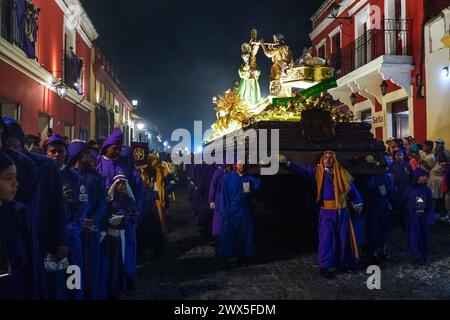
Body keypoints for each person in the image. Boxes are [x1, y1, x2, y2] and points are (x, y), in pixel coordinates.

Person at [280, 151, 363, 278]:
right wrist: (288, 162)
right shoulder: (318, 173)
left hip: (342, 211)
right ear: (322, 160)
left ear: (334, 160)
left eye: (330, 158)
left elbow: (352, 188)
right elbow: (303, 170)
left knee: (343, 238)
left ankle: (344, 264)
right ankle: (326, 266)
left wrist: (358, 202)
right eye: (325, 158)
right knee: (326, 239)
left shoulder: (342, 172)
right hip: (327, 212)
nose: (328, 160)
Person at [44, 134, 89, 299]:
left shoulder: (75, 178)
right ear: (46, 153)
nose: (56, 155)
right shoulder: (39, 176)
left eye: (60, 151)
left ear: (66, 154)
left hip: (70, 237)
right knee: (50, 280)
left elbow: (82, 207)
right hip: (46, 239)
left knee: (73, 274)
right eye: (52, 151)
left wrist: (70, 230)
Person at [0, 153, 47, 300]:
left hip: (15, 289)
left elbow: (33, 264)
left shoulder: (19, 213)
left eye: (15, 176)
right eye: (8, 178)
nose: (16, 183)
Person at [67, 140, 108, 300]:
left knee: (91, 268)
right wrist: (79, 222)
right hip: (73, 233)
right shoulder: (66, 178)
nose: (91, 156)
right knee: (74, 269)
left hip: (91, 232)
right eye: (86, 154)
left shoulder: (95, 178)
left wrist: (94, 220)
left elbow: (103, 201)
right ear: (78, 156)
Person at [219, 159, 263, 267]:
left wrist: (259, 170)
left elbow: (258, 185)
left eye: (243, 164)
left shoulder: (248, 178)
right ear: (235, 165)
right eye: (239, 164)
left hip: (245, 211)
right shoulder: (228, 178)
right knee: (230, 235)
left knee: (246, 235)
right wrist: (224, 211)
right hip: (232, 211)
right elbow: (223, 196)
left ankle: (245, 256)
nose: (241, 165)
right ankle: (227, 256)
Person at [100, 175, 137, 298]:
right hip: (110, 236)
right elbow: (103, 216)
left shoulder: (129, 200)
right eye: (118, 183)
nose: (120, 186)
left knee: (122, 262)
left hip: (123, 236)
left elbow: (134, 217)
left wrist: (123, 218)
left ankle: (121, 287)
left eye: (123, 184)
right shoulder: (108, 201)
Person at [403, 168, 434, 265]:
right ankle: (417, 257)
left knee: (424, 236)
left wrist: (428, 215)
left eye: (425, 176)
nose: (425, 177)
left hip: (423, 216)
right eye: (423, 176)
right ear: (417, 177)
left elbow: (430, 204)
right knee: (414, 236)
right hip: (412, 216)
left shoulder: (427, 190)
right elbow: (404, 201)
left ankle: (424, 255)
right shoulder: (410, 189)